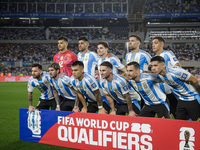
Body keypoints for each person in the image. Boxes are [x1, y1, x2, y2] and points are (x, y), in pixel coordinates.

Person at [150, 56, 200, 121]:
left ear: (163, 65)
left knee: (197, 123)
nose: (153, 68)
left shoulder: (176, 72)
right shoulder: (159, 75)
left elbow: (194, 79)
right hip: (182, 99)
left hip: (193, 98)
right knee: (179, 123)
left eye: (155, 65)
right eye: (152, 66)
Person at [152, 36, 180, 118]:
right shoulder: (153, 58)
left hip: (172, 91)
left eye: (156, 43)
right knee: (165, 116)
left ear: (162, 44)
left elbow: (177, 66)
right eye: (152, 43)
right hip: (161, 93)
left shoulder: (167, 53)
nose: (153, 45)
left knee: (178, 114)